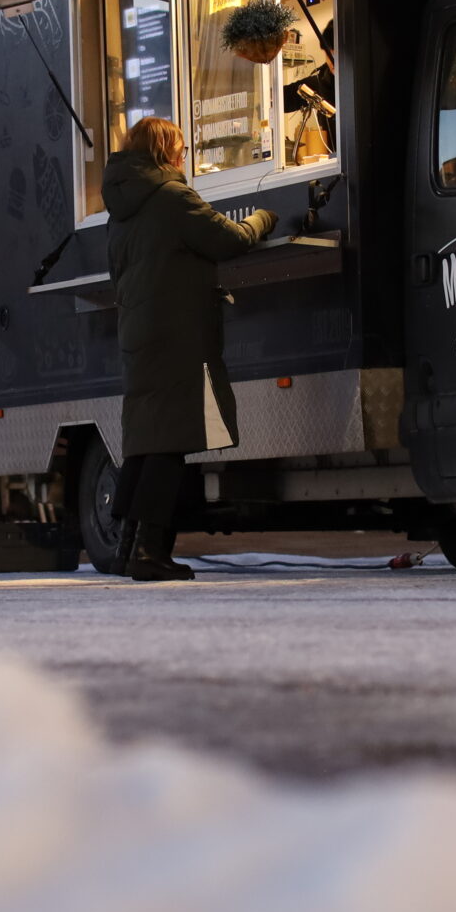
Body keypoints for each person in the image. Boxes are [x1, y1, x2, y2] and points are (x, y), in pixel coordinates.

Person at [100, 115, 276, 580]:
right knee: (168, 444)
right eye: (179, 149)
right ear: (164, 152)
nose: (183, 158)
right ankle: (149, 554)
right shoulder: (171, 197)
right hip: (174, 334)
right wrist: (264, 218)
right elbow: (228, 238)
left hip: (138, 335)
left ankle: (124, 550)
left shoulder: (121, 211)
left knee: (143, 444)